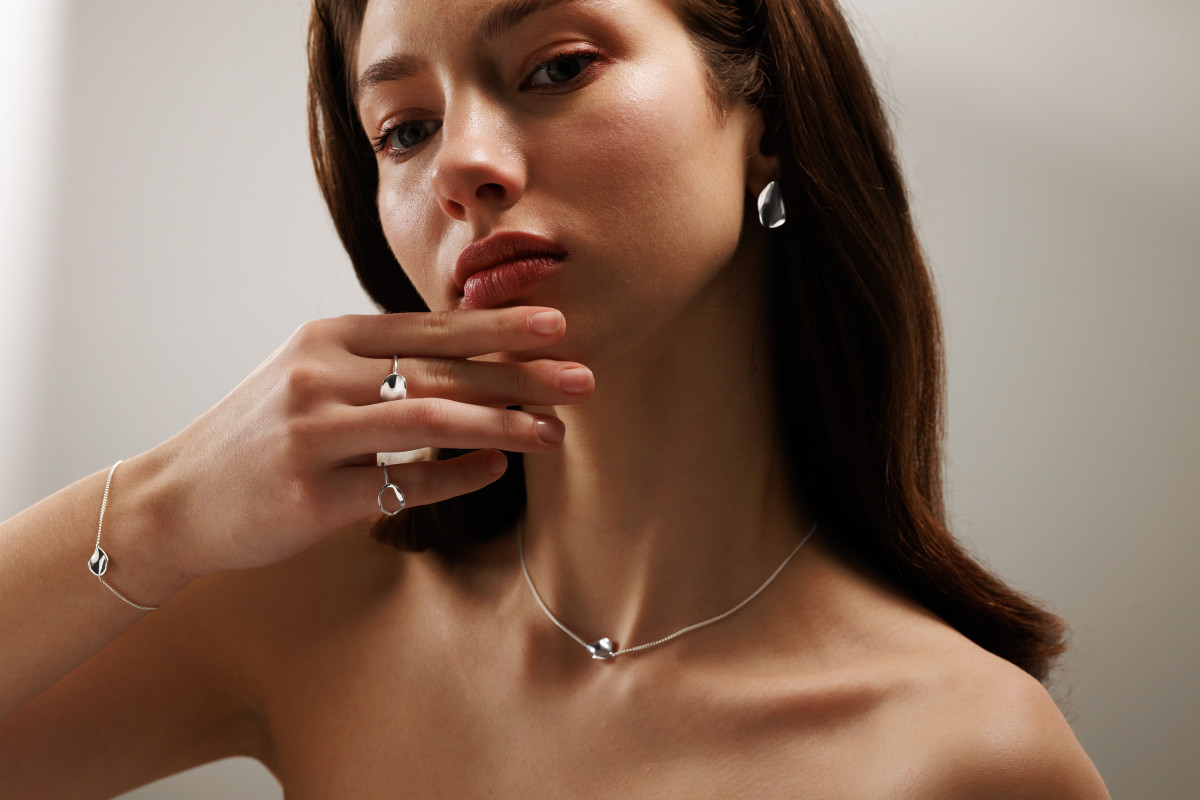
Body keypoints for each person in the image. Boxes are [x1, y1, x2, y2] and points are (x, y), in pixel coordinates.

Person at [0, 0, 1112, 796]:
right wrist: (163, 504)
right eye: (405, 129)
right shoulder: (308, 604)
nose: (461, 166)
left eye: (557, 67)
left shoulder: (968, 755)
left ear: (766, 113)